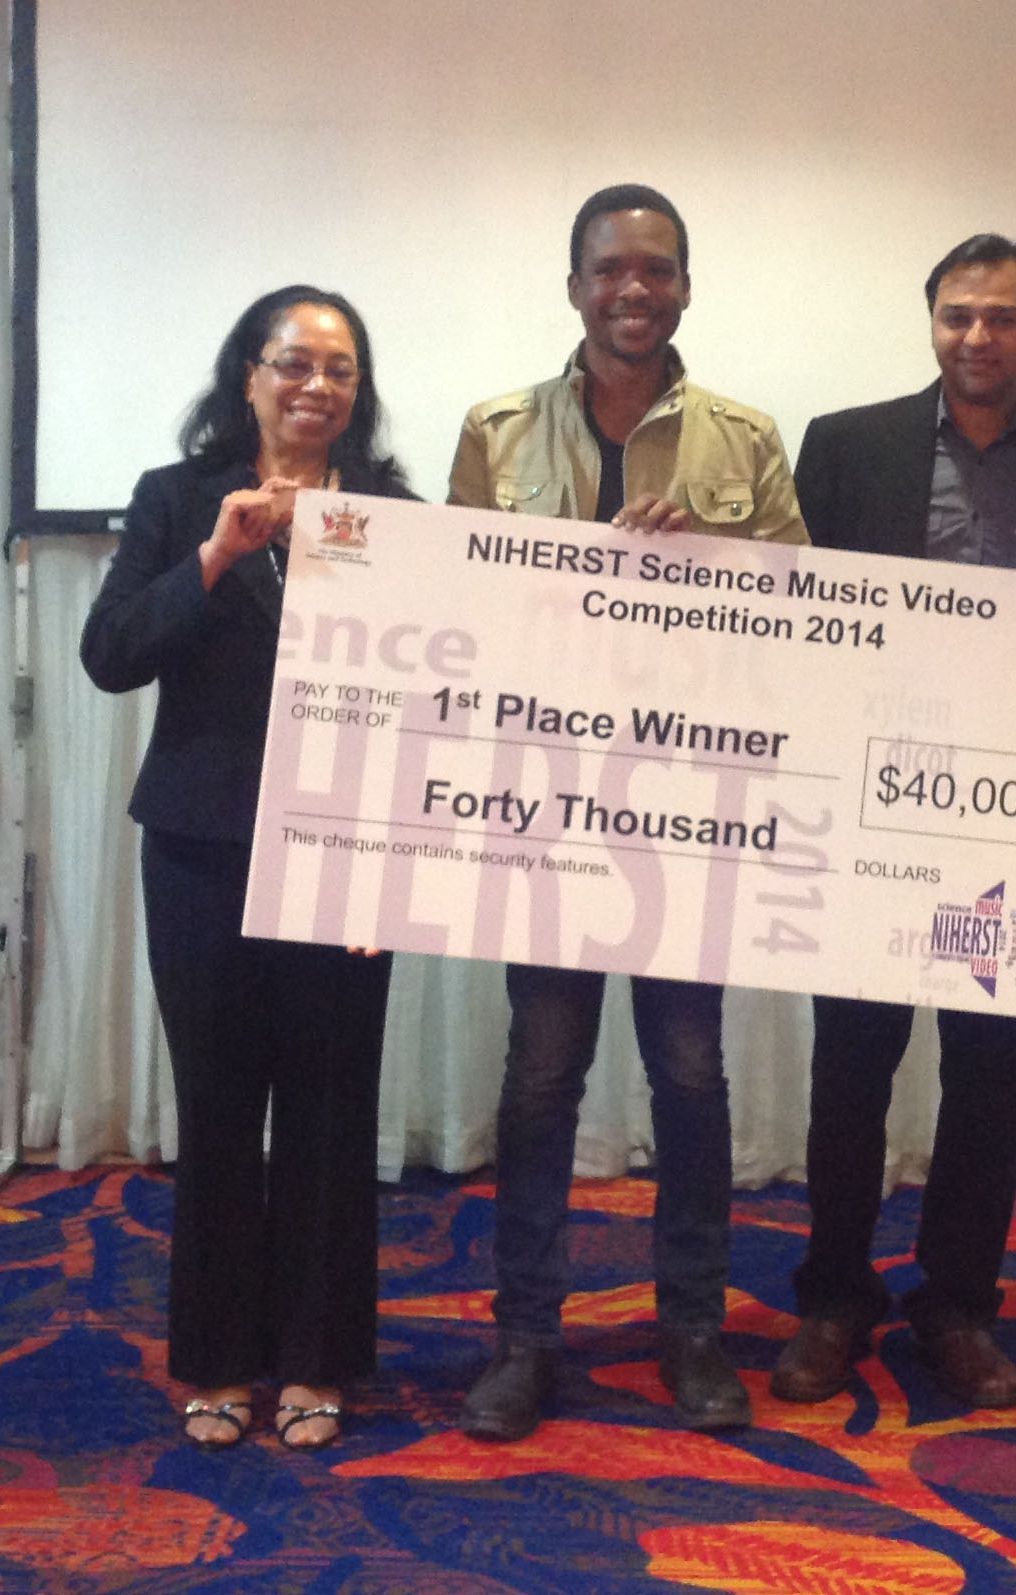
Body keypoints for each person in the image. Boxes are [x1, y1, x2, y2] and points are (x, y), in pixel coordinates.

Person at [447, 183, 808, 1441]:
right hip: (546, 806)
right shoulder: (495, 430)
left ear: (687, 287)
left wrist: (707, 576)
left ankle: (693, 1331)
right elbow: (457, 618)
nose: (633, 289)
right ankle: (523, 1337)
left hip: (686, 806)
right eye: (610, 269)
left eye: (657, 268)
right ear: (574, 286)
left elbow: (799, 628)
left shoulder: (745, 439)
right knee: (541, 1075)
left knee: (690, 1074)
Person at [773, 235, 1016, 1410]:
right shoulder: (846, 445)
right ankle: (833, 1293)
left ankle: (958, 1301)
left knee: (993, 1071)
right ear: (928, 320)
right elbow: (791, 610)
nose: (975, 338)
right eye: (955, 316)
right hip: (869, 803)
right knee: (853, 1063)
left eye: (1000, 318)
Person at [80, 285, 414, 1453]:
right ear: (249, 375)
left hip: (344, 855)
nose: (317, 386)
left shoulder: (394, 515)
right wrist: (218, 554)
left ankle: (319, 1359)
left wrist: (391, 872)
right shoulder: (178, 502)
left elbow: (426, 709)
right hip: (200, 850)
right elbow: (110, 655)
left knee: (329, 1113)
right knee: (220, 1110)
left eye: (340, 369)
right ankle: (219, 1358)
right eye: (294, 363)